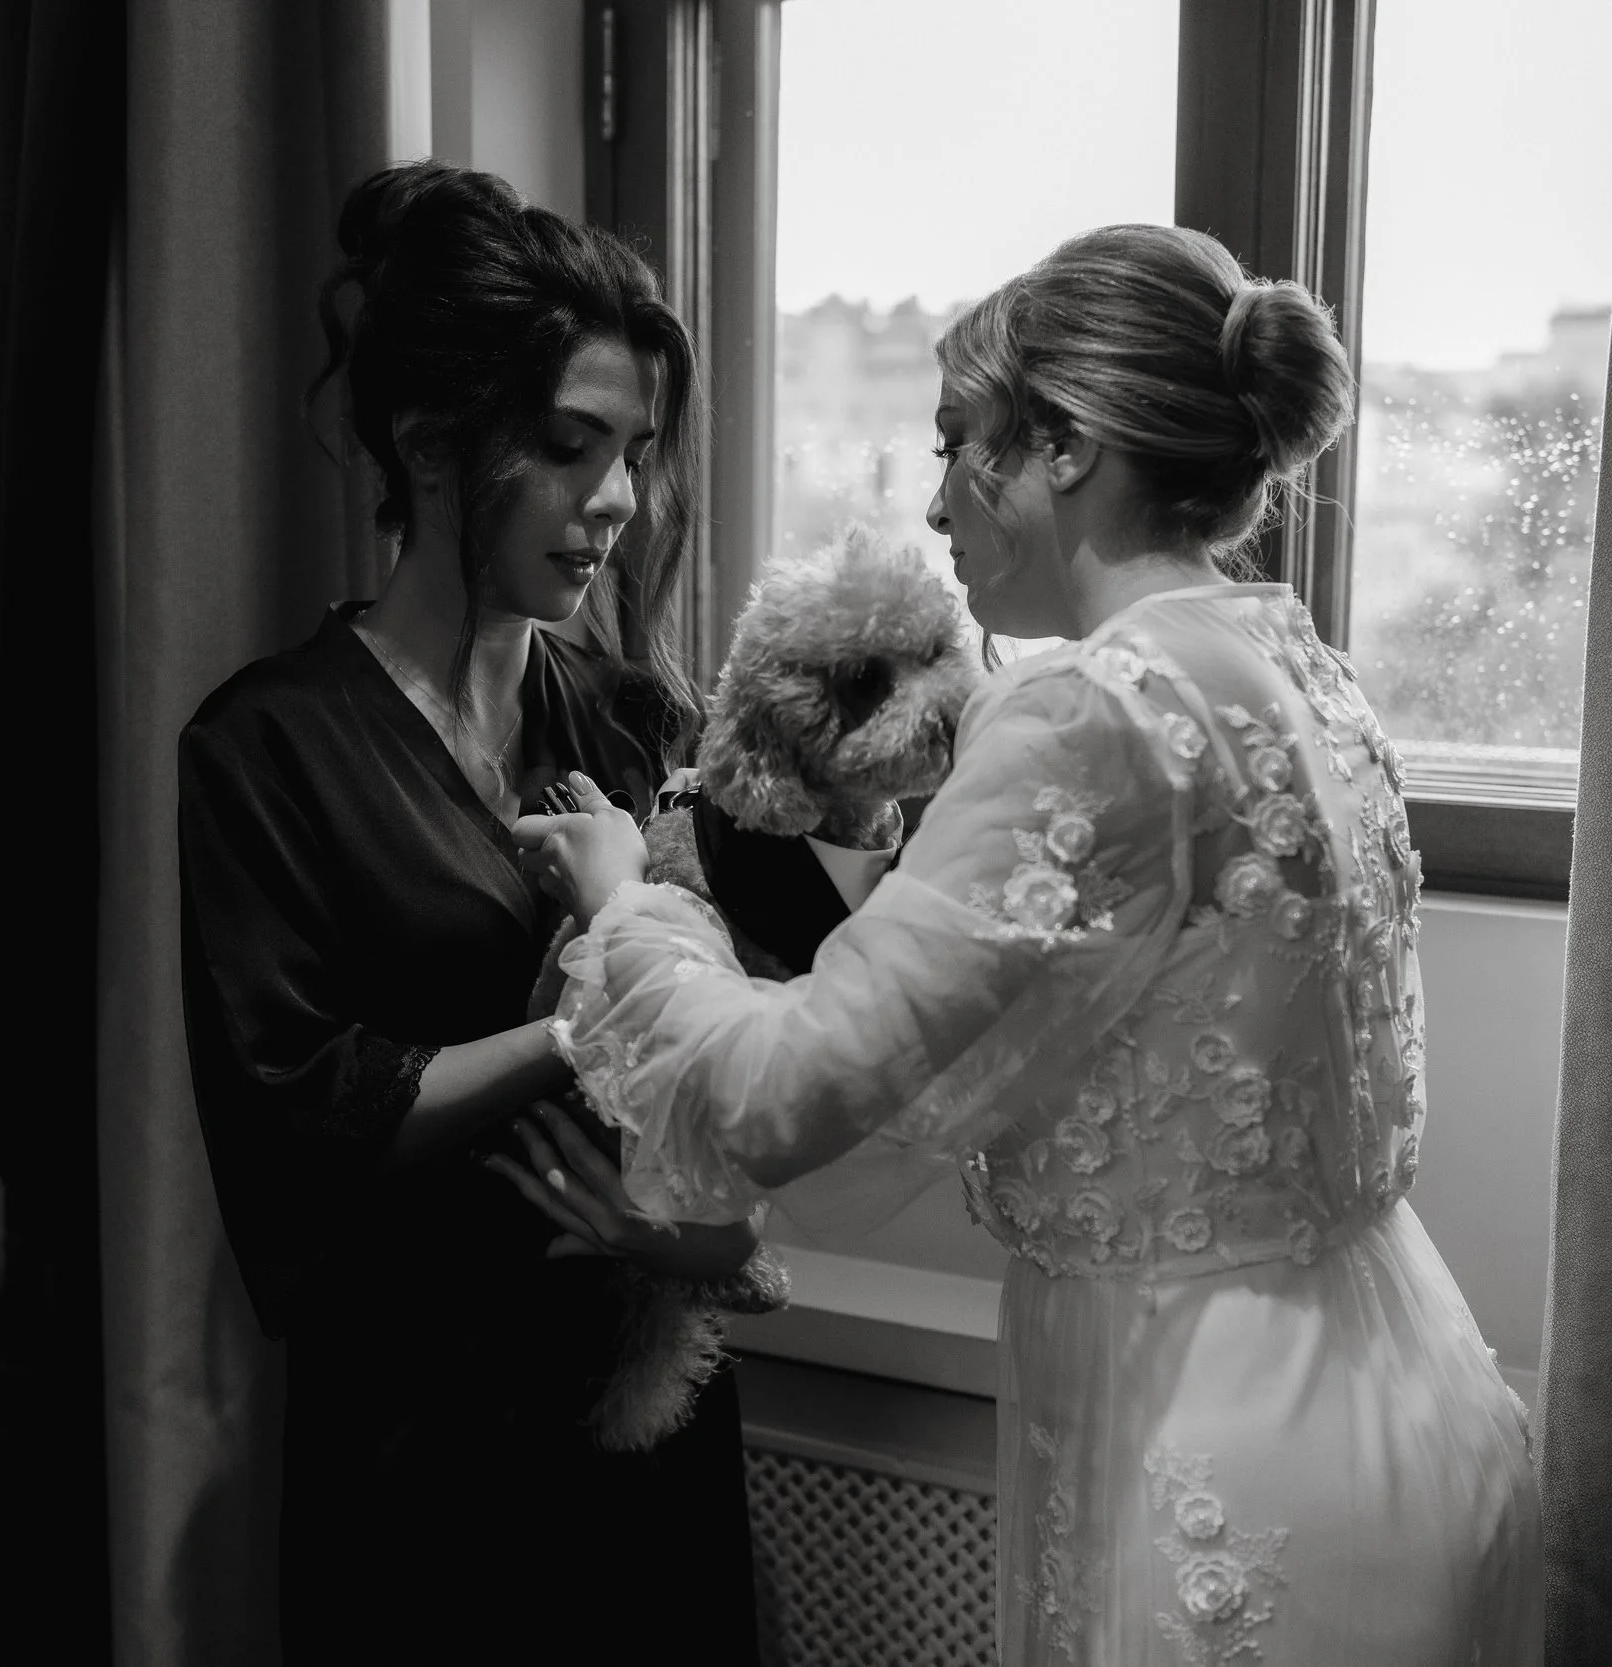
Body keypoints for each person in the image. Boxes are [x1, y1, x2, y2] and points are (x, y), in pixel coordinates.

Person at [517, 224, 1542, 1663]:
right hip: (1392, 1387)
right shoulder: (1299, 666)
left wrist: (637, 901)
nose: (935, 502)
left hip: (1207, 1444)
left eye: (957, 443)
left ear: (1059, 445)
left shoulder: (1088, 712)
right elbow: (1088, 1012)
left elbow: (775, 1091)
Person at [175, 160, 765, 1662]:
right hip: (429, 1441)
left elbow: (736, 1039)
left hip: (643, 1418)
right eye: (573, 449)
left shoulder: (634, 717)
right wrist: (590, 1015)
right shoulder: (267, 749)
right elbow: (307, 1113)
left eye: (636, 453)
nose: (619, 505)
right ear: (434, 442)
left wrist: (704, 1235)